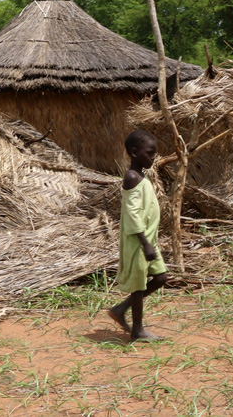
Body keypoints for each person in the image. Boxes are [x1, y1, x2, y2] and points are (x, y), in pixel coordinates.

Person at [107, 129, 168, 341]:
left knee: (160, 277)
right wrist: (145, 243)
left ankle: (120, 309)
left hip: (147, 240)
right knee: (139, 286)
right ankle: (137, 330)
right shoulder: (132, 177)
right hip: (138, 242)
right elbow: (132, 214)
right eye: (149, 153)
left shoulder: (141, 176)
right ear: (134, 153)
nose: (153, 158)